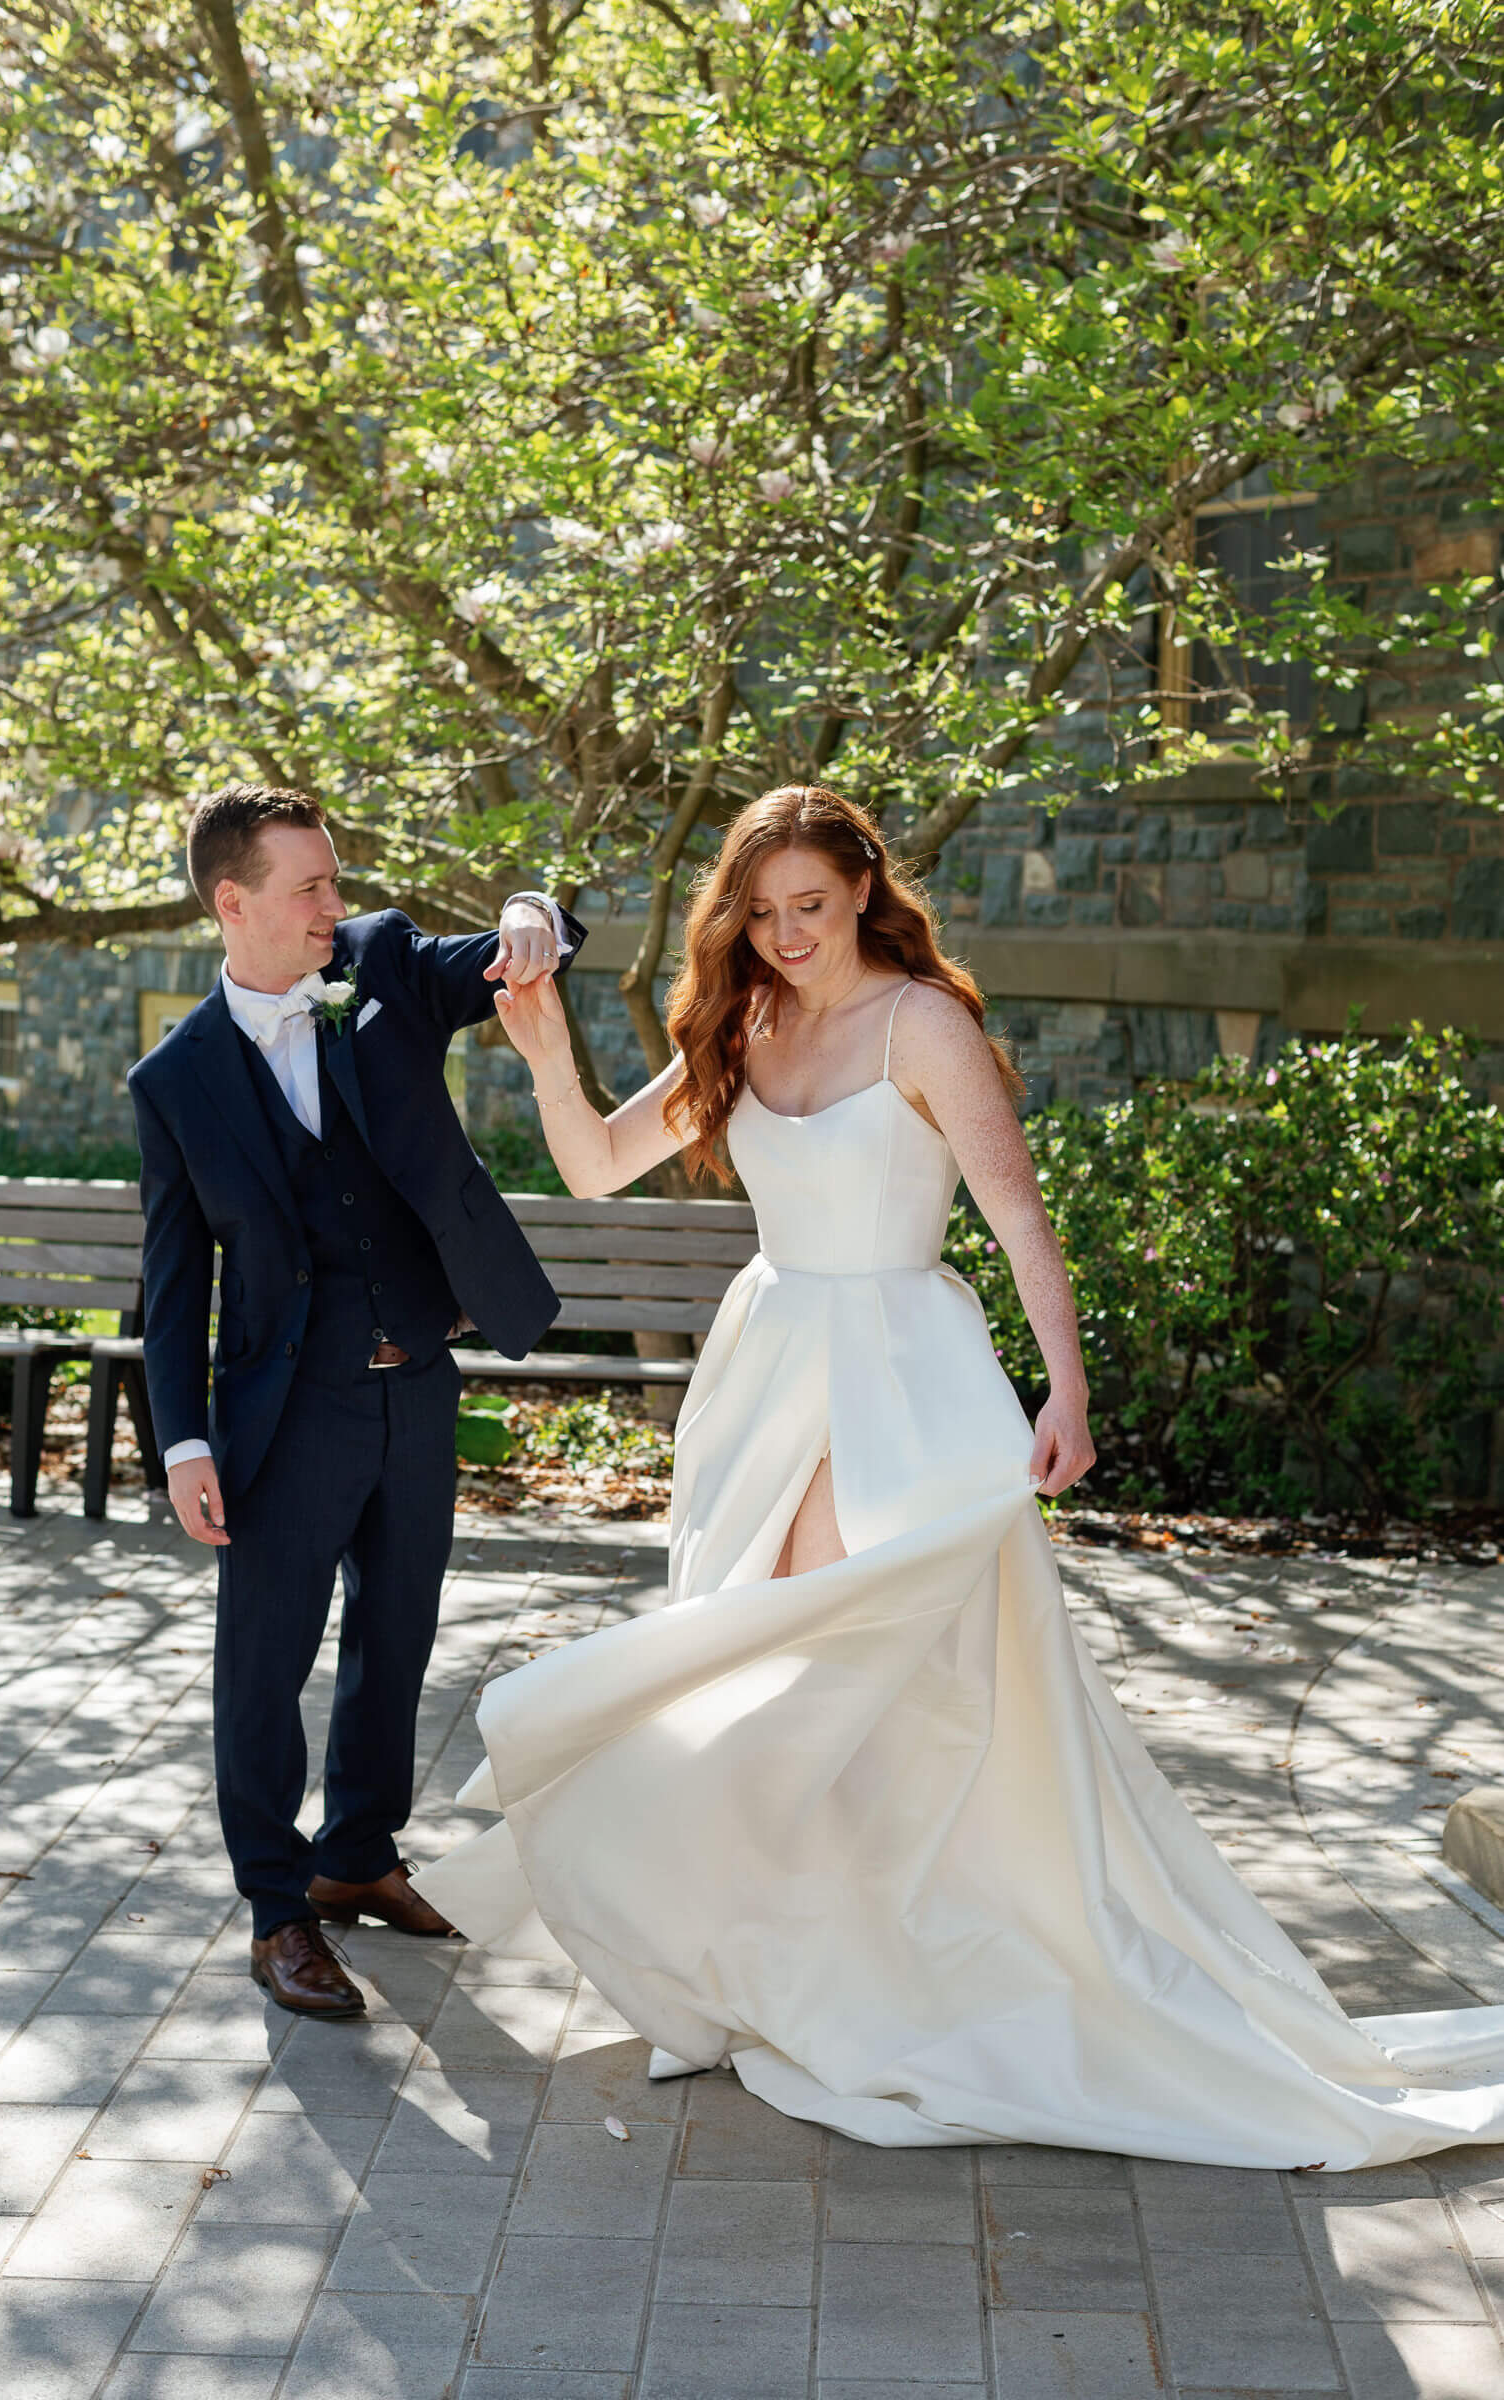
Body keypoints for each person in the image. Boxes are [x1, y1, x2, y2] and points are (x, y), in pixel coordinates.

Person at [415, 782, 1504, 2168]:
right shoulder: (744, 1018)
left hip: (901, 1378)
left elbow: (1012, 1209)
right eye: (762, 911)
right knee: (755, 1675)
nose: (788, 933)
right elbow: (594, 1160)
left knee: (873, 1686)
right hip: (765, 1376)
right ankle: (775, 1972)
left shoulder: (925, 1023)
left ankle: (887, 1977)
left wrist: (1067, 1380)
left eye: (810, 905)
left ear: (866, 888)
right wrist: (541, 1044)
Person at [130, 782, 583, 2019]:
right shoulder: (173, 1082)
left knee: (399, 1635)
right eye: (310, 886)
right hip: (285, 1414)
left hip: (416, 1385)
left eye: (336, 878)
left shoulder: (380, 960)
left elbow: (510, 950)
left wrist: (533, 914)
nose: (338, 901)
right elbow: (172, 1286)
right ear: (235, 903)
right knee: (262, 1665)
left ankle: (358, 1857)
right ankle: (279, 1913)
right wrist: (179, 1442)